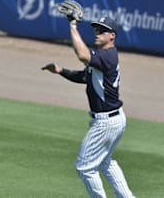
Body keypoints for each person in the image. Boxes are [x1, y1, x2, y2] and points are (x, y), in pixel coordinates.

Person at [42, 17, 135, 198]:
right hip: (115, 118)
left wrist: (73, 25)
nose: (97, 33)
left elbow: (82, 54)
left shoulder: (107, 56)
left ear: (112, 36)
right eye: (96, 30)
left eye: (102, 31)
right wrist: (61, 71)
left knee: (84, 167)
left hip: (105, 122)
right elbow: (85, 77)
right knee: (105, 162)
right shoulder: (102, 57)